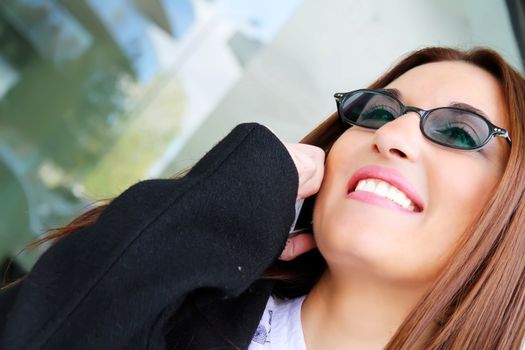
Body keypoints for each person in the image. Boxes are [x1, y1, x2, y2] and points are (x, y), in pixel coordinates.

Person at [1, 46, 524, 349]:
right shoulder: (173, 308)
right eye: (378, 112)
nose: (391, 136)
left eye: (458, 132)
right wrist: (221, 210)